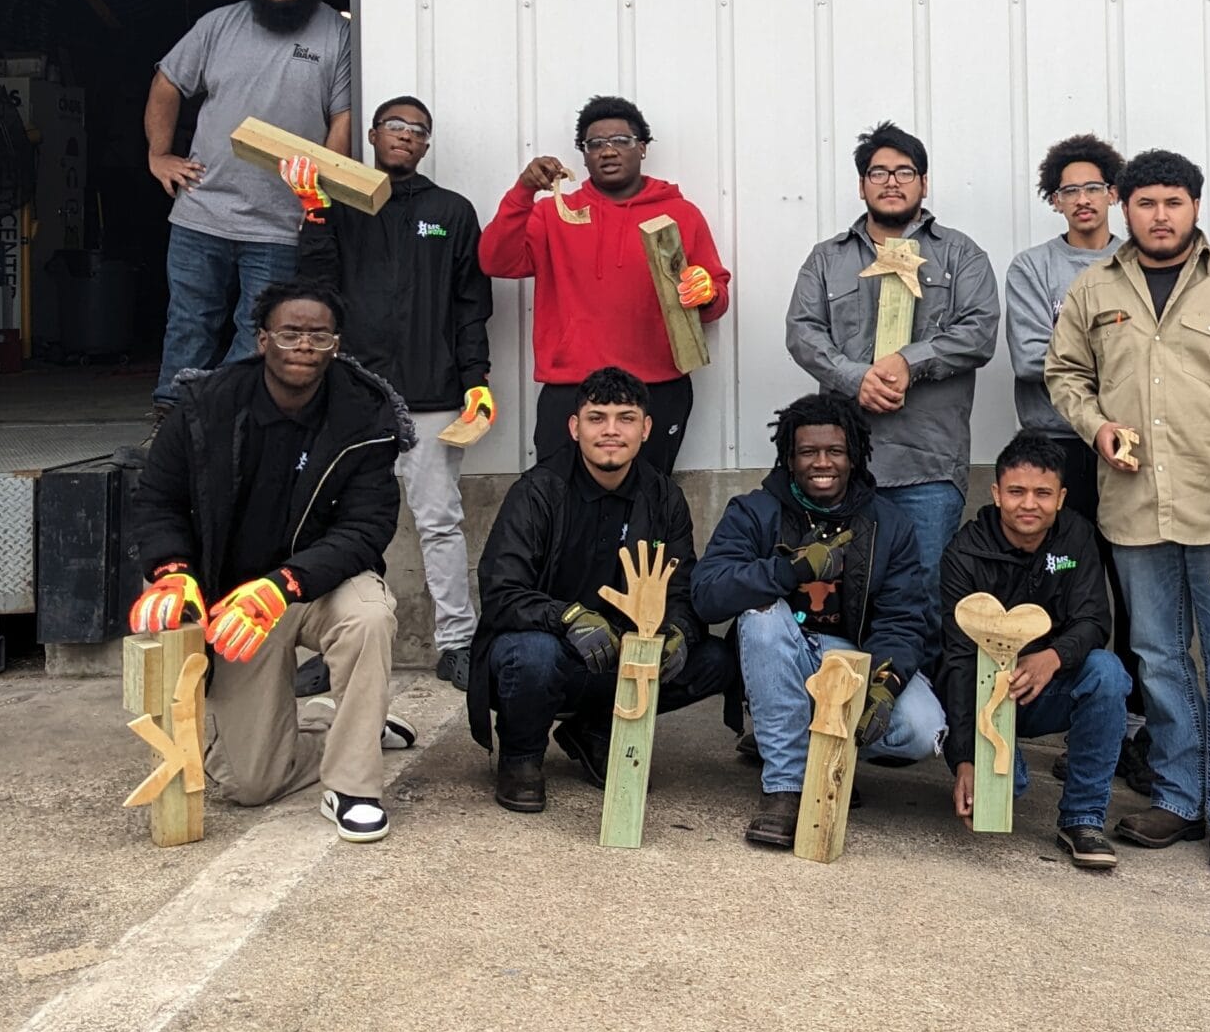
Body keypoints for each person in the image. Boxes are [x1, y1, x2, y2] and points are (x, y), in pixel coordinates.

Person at [1044, 148, 1210, 880]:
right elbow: (1063, 373)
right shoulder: (1096, 289)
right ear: (1126, 206)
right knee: (1158, 660)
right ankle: (1179, 797)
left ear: (1196, 206)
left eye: (1175, 202)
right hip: (1135, 508)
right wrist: (1095, 425)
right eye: (1147, 203)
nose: (1161, 216)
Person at [127, 280, 416, 844]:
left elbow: (366, 529)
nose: (304, 344)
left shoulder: (366, 414)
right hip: (235, 602)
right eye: (290, 332)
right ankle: (348, 725)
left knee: (370, 614)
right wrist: (172, 569)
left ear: (336, 344)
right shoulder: (204, 405)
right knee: (248, 782)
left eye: (319, 334)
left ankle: (354, 785)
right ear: (262, 340)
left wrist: (284, 583)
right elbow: (157, 498)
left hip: (314, 587)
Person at [284, 94, 493, 689]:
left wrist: (476, 383)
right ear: (373, 135)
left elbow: (470, 308)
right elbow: (315, 290)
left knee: (440, 521)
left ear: (427, 144)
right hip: (355, 396)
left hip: (433, 397)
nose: (406, 135)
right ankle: (336, 644)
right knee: (342, 524)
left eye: (418, 130)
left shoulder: (451, 211)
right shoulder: (343, 206)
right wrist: (314, 213)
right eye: (395, 126)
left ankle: (457, 644)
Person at [464, 367, 735, 814]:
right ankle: (521, 755)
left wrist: (679, 633)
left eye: (626, 418)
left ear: (646, 429)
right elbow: (501, 591)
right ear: (575, 427)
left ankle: (594, 729)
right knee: (531, 655)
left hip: (622, 656)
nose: (611, 431)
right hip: (548, 651)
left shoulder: (664, 497)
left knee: (713, 660)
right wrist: (568, 618)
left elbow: (683, 587)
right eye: (597, 418)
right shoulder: (537, 492)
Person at [691, 391, 948, 849]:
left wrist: (884, 685)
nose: (821, 462)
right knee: (762, 615)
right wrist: (789, 571)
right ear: (790, 457)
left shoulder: (888, 524)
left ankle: (813, 753)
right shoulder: (754, 510)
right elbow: (707, 594)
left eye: (834, 451)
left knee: (920, 729)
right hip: (778, 652)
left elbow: (905, 618)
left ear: (854, 455)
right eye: (808, 452)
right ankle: (784, 789)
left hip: (850, 660)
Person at [783, 120, 999, 630]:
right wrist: (854, 376)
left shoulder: (959, 254)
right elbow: (802, 332)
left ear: (924, 183)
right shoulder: (827, 259)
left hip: (929, 463)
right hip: (843, 467)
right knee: (838, 594)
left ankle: (912, 703)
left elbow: (980, 330)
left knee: (920, 597)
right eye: (879, 172)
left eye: (905, 171)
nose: (892, 182)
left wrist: (910, 362)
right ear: (862, 186)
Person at [145, 0, 354, 417]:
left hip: (281, 219)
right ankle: (173, 419)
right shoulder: (218, 26)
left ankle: (225, 416)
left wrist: (317, 196)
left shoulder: (338, 33)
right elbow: (167, 83)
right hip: (202, 208)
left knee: (257, 328)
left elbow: (341, 118)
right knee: (190, 322)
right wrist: (159, 155)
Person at [1004, 131, 1151, 794]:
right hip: (1060, 444)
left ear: (1114, 194)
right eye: (1070, 190)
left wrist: (1088, 349)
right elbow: (1032, 358)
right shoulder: (1033, 269)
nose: (1084, 200)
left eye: (1095, 187)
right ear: (1054, 200)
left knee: (1133, 589)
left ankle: (1129, 732)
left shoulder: (1142, 257)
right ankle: (1074, 718)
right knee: (1067, 584)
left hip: (1134, 446)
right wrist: (1110, 353)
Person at [478, 94, 729, 472]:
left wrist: (705, 291)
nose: (608, 151)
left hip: (657, 386)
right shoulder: (553, 212)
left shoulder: (680, 213)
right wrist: (523, 192)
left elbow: (716, 301)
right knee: (556, 502)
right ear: (583, 154)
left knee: (650, 500)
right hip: (572, 387)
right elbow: (495, 260)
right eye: (595, 144)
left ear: (642, 148)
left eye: (621, 141)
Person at [938, 432, 1130, 872]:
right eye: (1016, 492)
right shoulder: (965, 552)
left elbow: (1094, 620)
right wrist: (964, 758)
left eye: (1042, 493)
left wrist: (1053, 657)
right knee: (1006, 790)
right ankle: (988, 774)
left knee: (1107, 672)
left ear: (1061, 497)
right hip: (985, 696)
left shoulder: (1077, 537)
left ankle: (1083, 818)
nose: (1029, 504)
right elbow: (957, 659)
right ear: (996, 493)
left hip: (1045, 687)